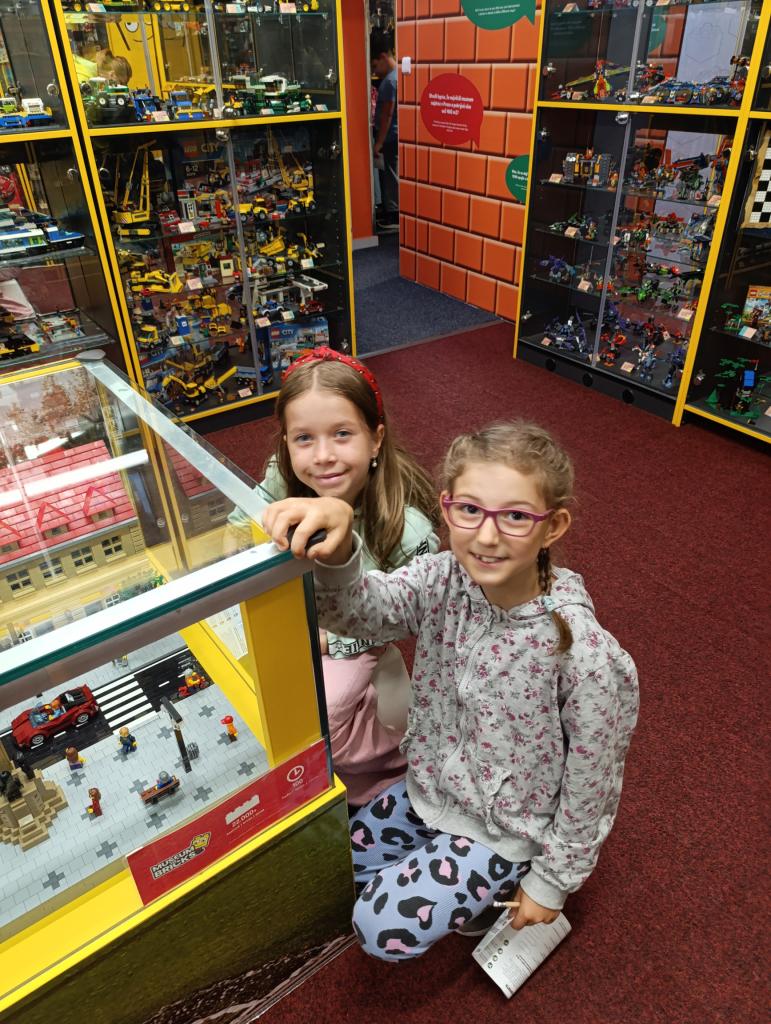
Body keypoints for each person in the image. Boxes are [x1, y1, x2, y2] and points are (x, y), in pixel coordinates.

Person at [263, 420, 639, 960]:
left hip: (506, 829)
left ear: (553, 526)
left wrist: (552, 882)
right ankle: (450, 871)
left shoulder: (584, 654)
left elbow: (594, 781)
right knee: (331, 868)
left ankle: (504, 883)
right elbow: (358, 613)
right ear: (446, 508)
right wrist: (341, 551)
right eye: (469, 510)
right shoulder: (441, 578)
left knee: (379, 929)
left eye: (515, 516)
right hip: (431, 790)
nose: (486, 536)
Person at [227, 347, 440, 807]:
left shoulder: (410, 529)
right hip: (288, 614)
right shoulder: (281, 477)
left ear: (376, 439)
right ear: (286, 443)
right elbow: (237, 527)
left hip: (357, 635)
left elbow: (409, 617)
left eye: (342, 434)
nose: (323, 457)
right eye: (304, 438)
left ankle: (380, 774)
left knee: (324, 710)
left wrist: (328, 640)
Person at [371, 33, 399, 232]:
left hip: (390, 137)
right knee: (391, 173)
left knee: (391, 175)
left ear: (382, 57)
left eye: (374, 66)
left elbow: (387, 114)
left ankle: (394, 214)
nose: (375, 71)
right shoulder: (397, 76)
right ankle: (392, 210)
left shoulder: (389, 82)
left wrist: (378, 143)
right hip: (394, 135)